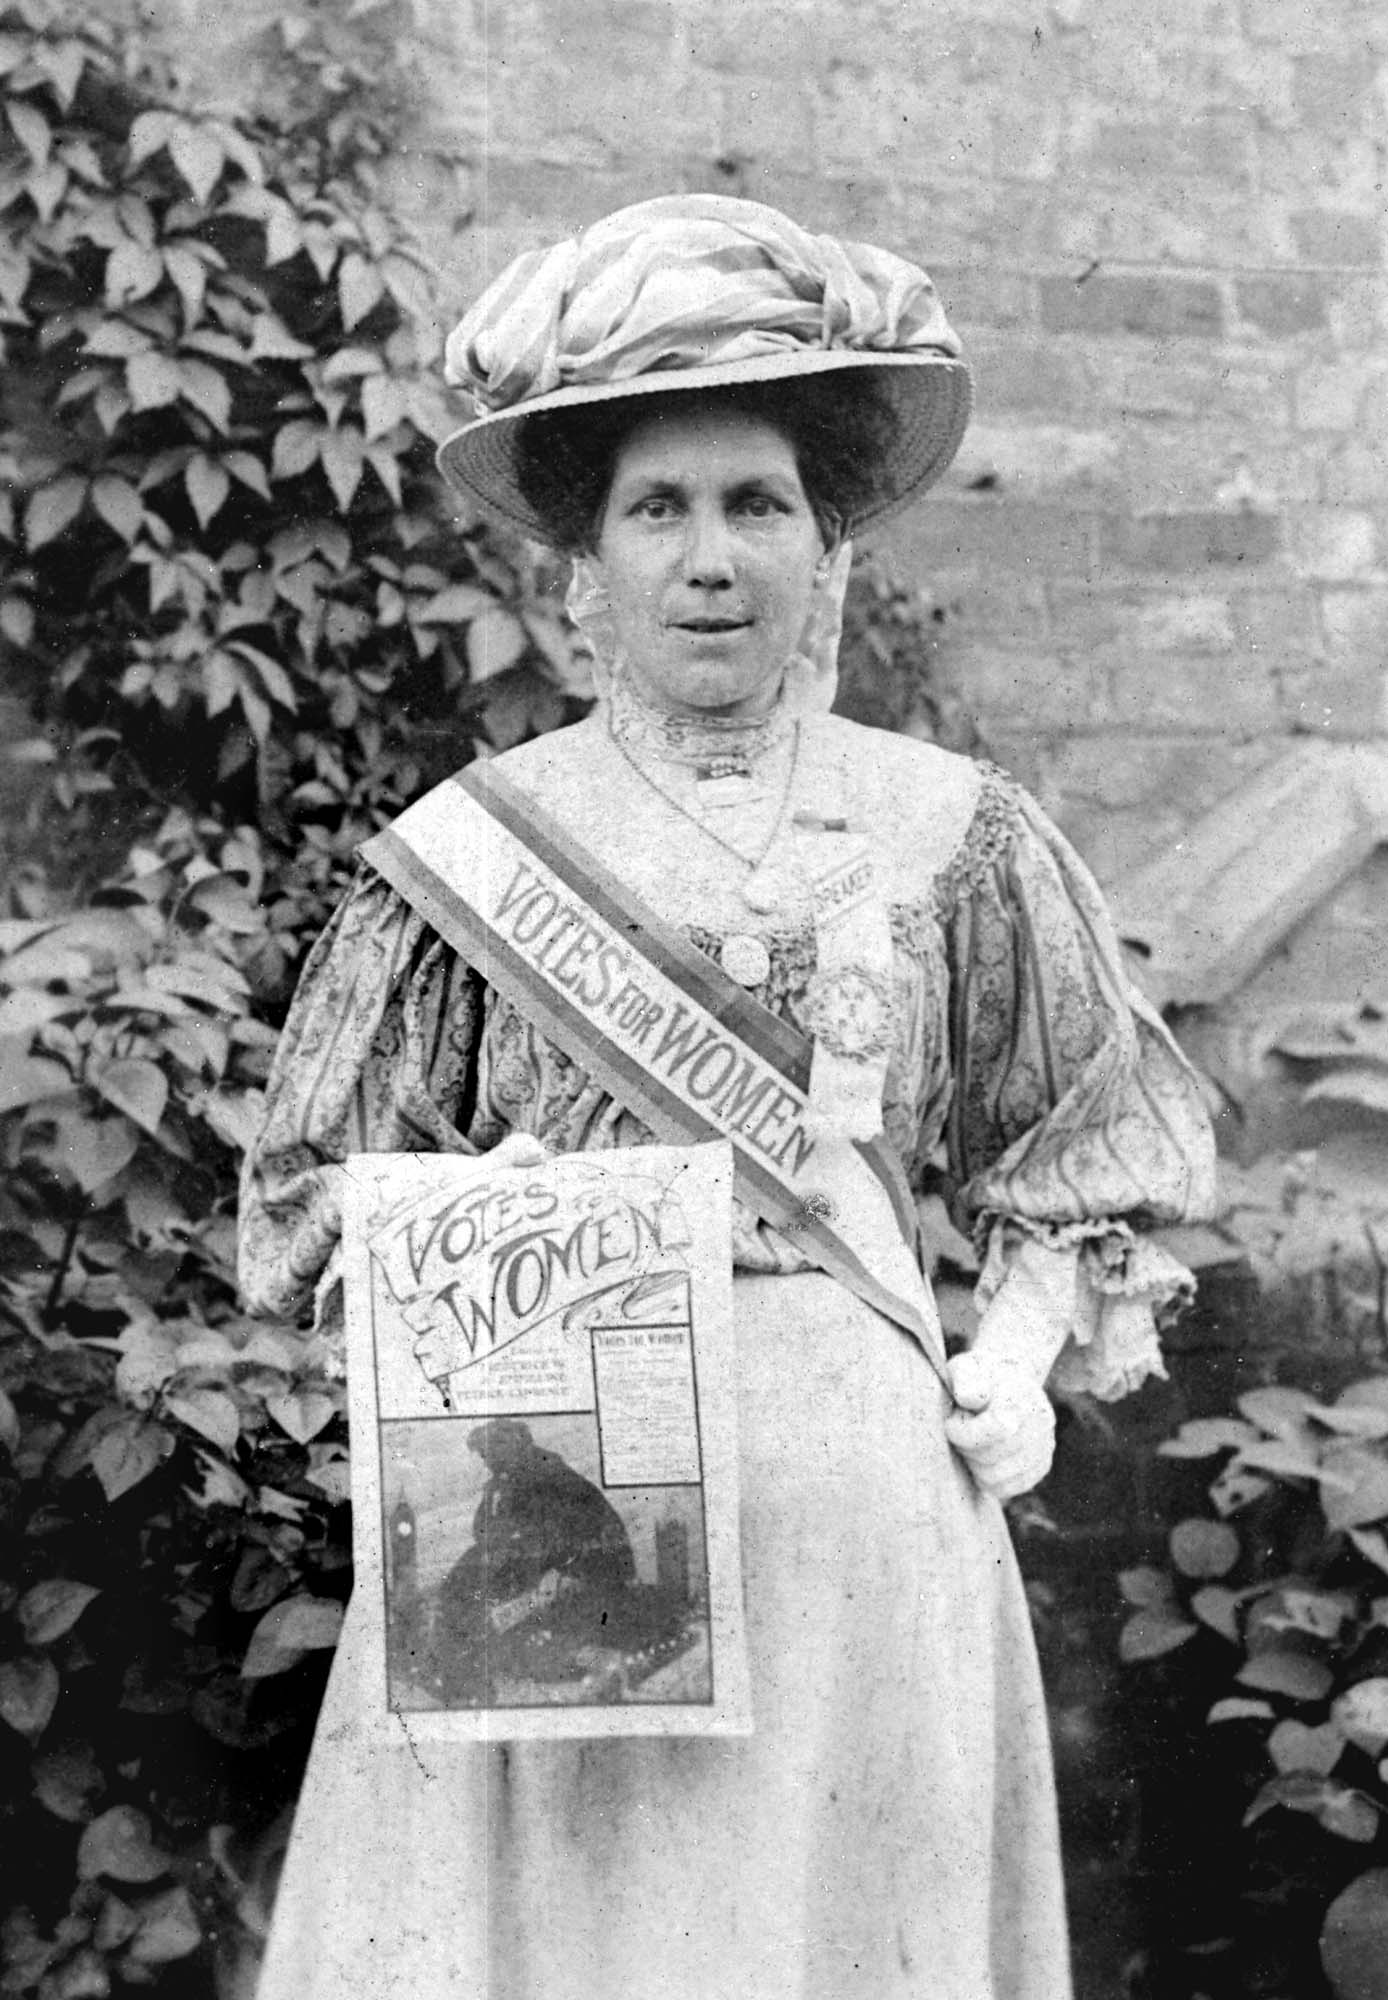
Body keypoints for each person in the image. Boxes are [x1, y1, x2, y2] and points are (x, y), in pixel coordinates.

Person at [239, 194, 1215, 2000]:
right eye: (658, 509)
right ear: (584, 563)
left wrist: (1014, 1356)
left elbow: (1073, 1154)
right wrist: (470, 1233)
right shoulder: (470, 857)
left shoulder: (954, 833)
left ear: (824, 547)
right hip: (548, 1544)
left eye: (757, 504)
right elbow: (308, 1211)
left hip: (863, 1532)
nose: (711, 558)